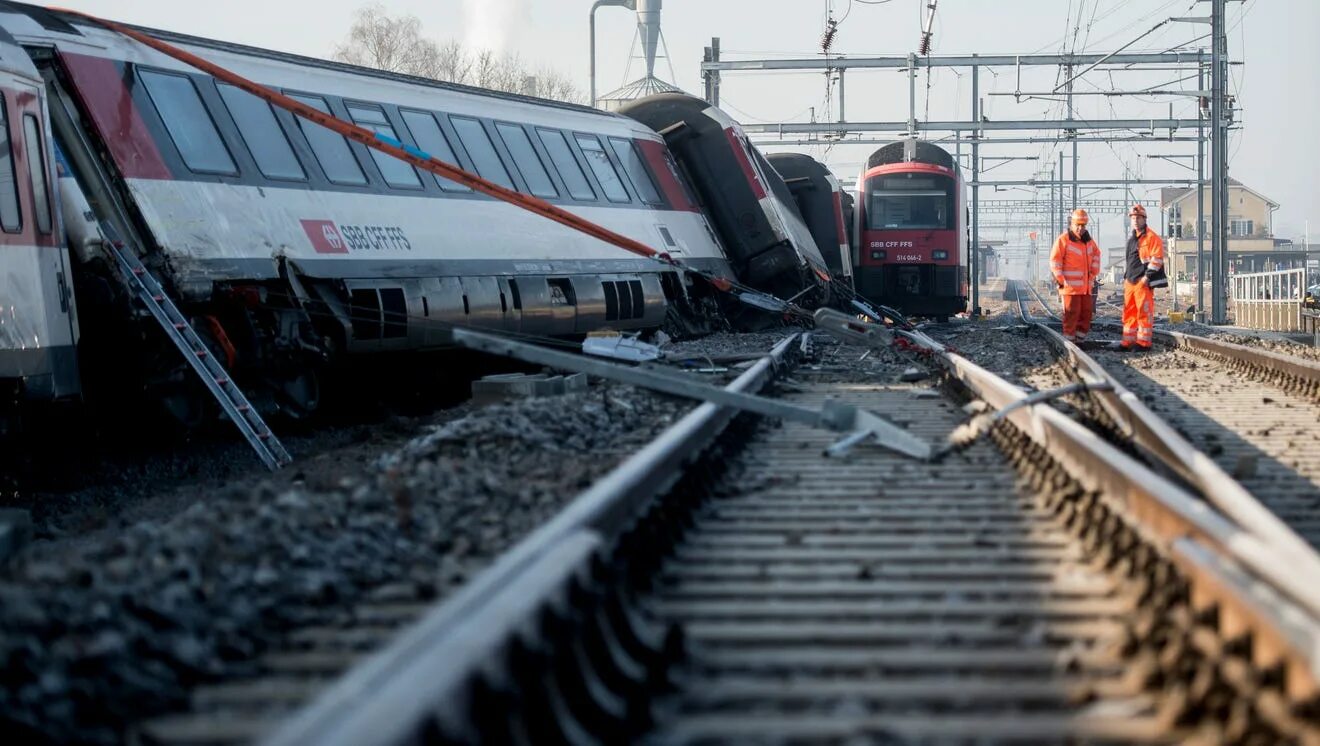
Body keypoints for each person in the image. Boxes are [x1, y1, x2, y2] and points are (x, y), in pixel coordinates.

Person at [1050, 209, 1102, 343]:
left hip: (1085, 287)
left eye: (1083, 225)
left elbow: (1096, 254)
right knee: (1071, 314)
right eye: (1077, 225)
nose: (1080, 228)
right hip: (1069, 287)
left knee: (1086, 314)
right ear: (1071, 224)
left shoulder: (1089, 242)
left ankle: (1079, 341)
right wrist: (1061, 280)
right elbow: (1055, 261)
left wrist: (1093, 273)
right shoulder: (1063, 240)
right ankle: (1069, 343)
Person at [1121, 204, 1166, 350]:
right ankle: (1128, 342)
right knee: (1129, 313)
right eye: (1133, 218)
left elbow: (1157, 259)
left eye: (1138, 218)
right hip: (1130, 281)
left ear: (1144, 219)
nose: (1135, 220)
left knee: (1143, 312)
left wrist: (1147, 278)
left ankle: (1143, 343)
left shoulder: (1152, 238)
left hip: (1142, 281)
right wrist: (1126, 277)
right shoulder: (1132, 239)